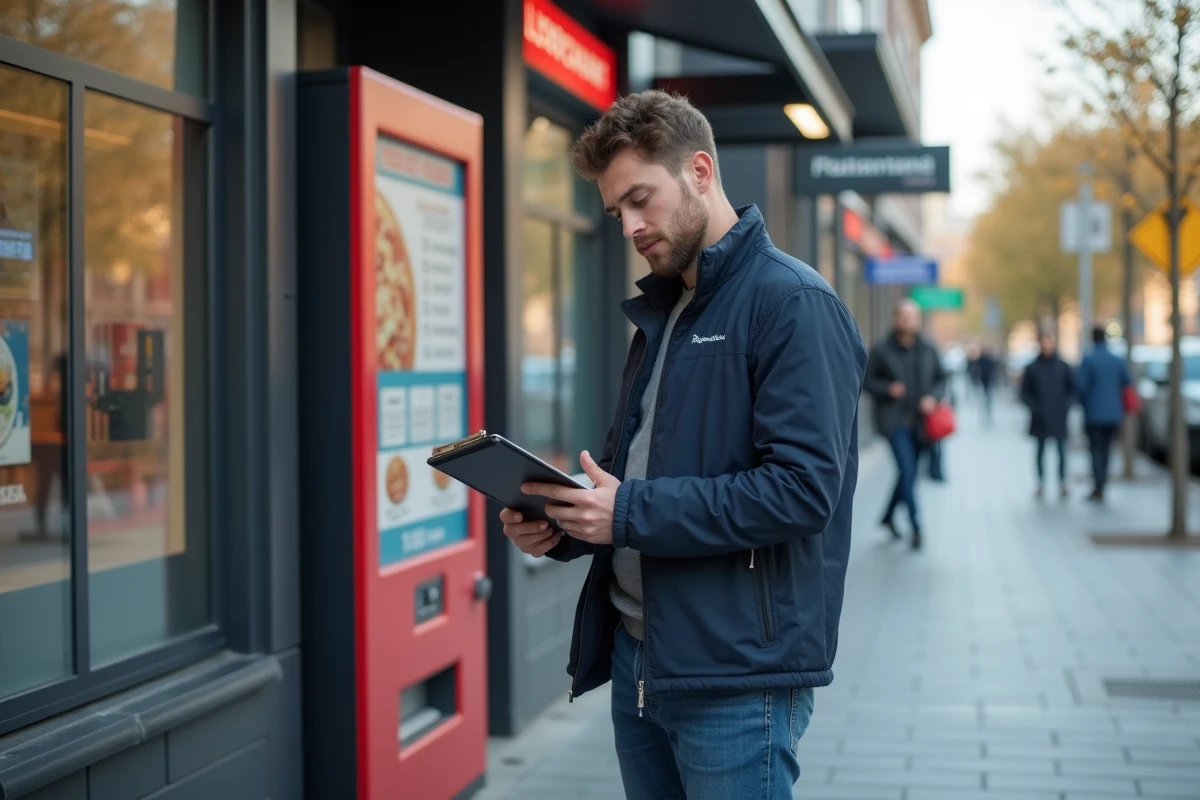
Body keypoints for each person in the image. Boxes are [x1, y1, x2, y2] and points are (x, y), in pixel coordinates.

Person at [495, 90, 867, 800]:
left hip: (737, 677)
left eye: (641, 199)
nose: (631, 227)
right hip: (641, 658)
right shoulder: (666, 311)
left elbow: (802, 491)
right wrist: (567, 525)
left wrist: (626, 513)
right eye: (616, 212)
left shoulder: (793, 302)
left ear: (699, 170)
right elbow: (637, 473)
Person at [864, 300, 946, 551]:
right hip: (894, 422)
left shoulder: (928, 349)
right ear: (895, 319)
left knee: (907, 473)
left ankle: (888, 517)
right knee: (908, 471)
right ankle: (916, 526)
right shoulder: (881, 349)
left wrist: (932, 397)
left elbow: (941, 380)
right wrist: (888, 389)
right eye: (904, 316)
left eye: (912, 317)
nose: (908, 321)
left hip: (922, 424)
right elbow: (866, 380)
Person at [1075, 325, 1131, 502]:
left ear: (1093, 338)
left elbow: (1081, 386)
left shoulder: (1089, 360)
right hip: (1113, 413)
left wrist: (1084, 404)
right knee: (1107, 449)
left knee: (1095, 450)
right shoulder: (1117, 360)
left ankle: (1098, 485)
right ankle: (1102, 483)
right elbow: (1127, 381)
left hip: (1093, 413)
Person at [1020, 330, 1075, 499]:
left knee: (1061, 450)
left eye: (1049, 342)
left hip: (1058, 416)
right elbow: (1024, 392)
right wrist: (1035, 408)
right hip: (1040, 417)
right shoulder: (1032, 367)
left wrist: (1065, 406)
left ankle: (1062, 482)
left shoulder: (1063, 367)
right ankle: (1040, 482)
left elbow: (1072, 390)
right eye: (1044, 343)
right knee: (1040, 450)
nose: (1047, 346)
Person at [977, 346, 998, 426]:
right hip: (987, 378)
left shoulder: (984, 359)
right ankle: (987, 402)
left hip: (985, 378)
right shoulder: (988, 359)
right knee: (987, 392)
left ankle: (987, 401)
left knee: (987, 392)